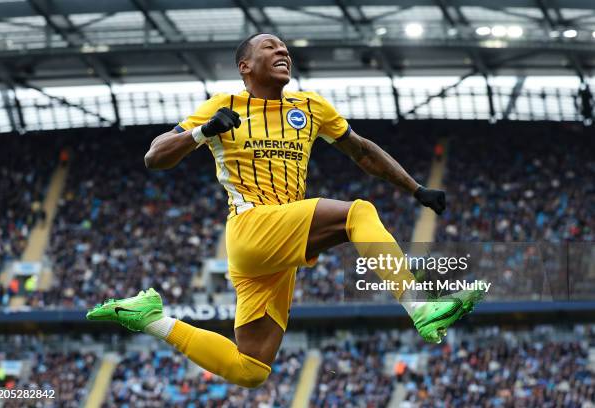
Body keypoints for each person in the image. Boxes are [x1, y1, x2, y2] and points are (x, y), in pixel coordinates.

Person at [87, 33, 484, 388]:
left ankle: (150, 318)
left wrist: (416, 188)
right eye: (270, 47)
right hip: (251, 226)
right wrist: (203, 131)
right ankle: (420, 306)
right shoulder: (222, 105)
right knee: (357, 213)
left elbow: (362, 151)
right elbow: (155, 156)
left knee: (251, 369)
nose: (283, 52)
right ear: (245, 66)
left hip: (276, 251)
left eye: (285, 49)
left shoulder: (311, 107)